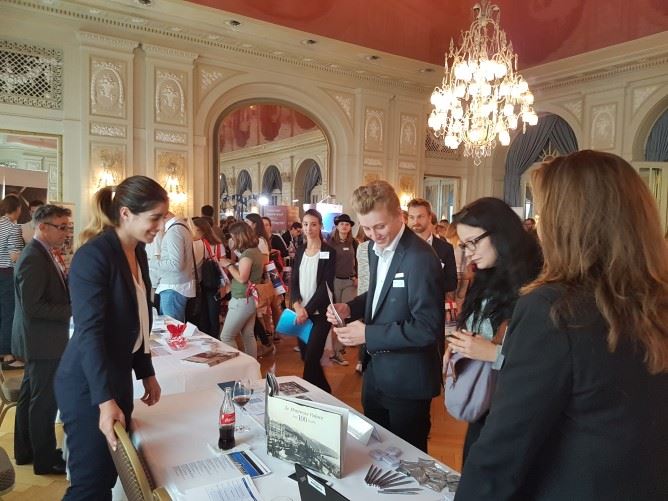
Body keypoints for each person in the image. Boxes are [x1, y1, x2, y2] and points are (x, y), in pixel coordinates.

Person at [456, 151, 668, 501]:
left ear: (568, 224)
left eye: (544, 214)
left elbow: (504, 451)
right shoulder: (655, 299)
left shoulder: (552, 308)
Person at [55, 176, 166, 500]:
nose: (160, 226)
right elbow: (89, 333)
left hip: (116, 377)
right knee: (90, 486)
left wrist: (145, 371)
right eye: (155, 217)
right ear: (126, 213)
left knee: (108, 474)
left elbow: (139, 315)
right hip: (86, 385)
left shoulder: (137, 251)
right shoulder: (94, 255)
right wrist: (104, 401)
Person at [327, 180, 444, 452]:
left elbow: (427, 328)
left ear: (399, 216)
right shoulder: (374, 249)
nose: (373, 235)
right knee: (376, 452)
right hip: (376, 375)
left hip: (407, 380)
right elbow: (380, 295)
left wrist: (367, 334)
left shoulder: (421, 258)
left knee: (408, 459)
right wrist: (350, 308)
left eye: (379, 226)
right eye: (366, 228)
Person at [447, 197, 542, 462]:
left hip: (515, 409)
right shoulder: (486, 274)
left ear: (500, 233)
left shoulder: (536, 284)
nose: (469, 253)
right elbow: (477, 326)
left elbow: (544, 362)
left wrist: (492, 354)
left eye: (473, 242)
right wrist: (459, 345)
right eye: (464, 245)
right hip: (484, 397)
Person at [13, 204, 71, 475]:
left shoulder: (43, 252)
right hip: (42, 341)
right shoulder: (34, 257)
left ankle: (26, 451)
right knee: (43, 402)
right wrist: (73, 310)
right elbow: (33, 307)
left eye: (67, 227)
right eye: (61, 227)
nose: (66, 233)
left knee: (30, 397)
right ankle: (45, 460)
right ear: (42, 227)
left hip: (39, 339)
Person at [291, 209, 336, 393]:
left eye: (313, 224)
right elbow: (293, 281)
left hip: (320, 314)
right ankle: (325, 391)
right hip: (301, 312)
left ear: (320, 226)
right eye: (306, 224)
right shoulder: (300, 251)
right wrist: (296, 305)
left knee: (311, 358)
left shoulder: (329, 252)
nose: (309, 228)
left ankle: (305, 397)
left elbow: (325, 287)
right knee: (306, 356)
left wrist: (306, 311)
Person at [219, 222, 267, 359]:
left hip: (242, 298)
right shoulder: (255, 251)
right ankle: (252, 365)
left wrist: (228, 265)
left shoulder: (248, 254)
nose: (232, 240)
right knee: (248, 335)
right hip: (250, 298)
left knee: (226, 336)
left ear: (239, 236)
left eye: (233, 237)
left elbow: (242, 278)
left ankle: (238, 365)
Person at [326, 213, 358, 366]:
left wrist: (357, 276)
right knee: (336, 317)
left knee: (346, 315)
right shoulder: (330, 243)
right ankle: (335, 351)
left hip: (350, 282)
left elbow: (358, 261)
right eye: (342, 224)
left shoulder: (355, 243)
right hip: (335, 281)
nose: (344, 226)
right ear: (337, 226)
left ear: (350, 227)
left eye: (347, 224)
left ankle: (340, 348)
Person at [407, 198, 458, 293]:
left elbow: (452, 283)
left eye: (420, 217)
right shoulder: (400, 246)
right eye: (411, 217)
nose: (415, 222)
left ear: (429, 217)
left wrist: (427, 283)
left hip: (434, 300)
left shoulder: (445, 248)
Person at [156, 210, 196, 322]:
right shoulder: (180, 227)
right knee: (171, 326)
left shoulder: (174, 231)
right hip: (175, 286)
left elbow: (176, 264)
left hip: (173, 287)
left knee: (173, 327)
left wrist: (153, 262)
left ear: (163, 216)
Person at [0, 194, 24, 369]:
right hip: (6, 274)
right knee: (9, 313)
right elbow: (15, 256)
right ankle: (7, 355)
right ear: (17, 209)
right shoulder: (13, 228)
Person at [192, 217, 224, 337]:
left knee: (203, 314)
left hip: (202, 281)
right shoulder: (218, 244)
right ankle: (215, 338)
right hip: (214, 281)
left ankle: (207, 337)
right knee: (213, 314)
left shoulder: (199, 243)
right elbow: (223, 263)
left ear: (200, 230)